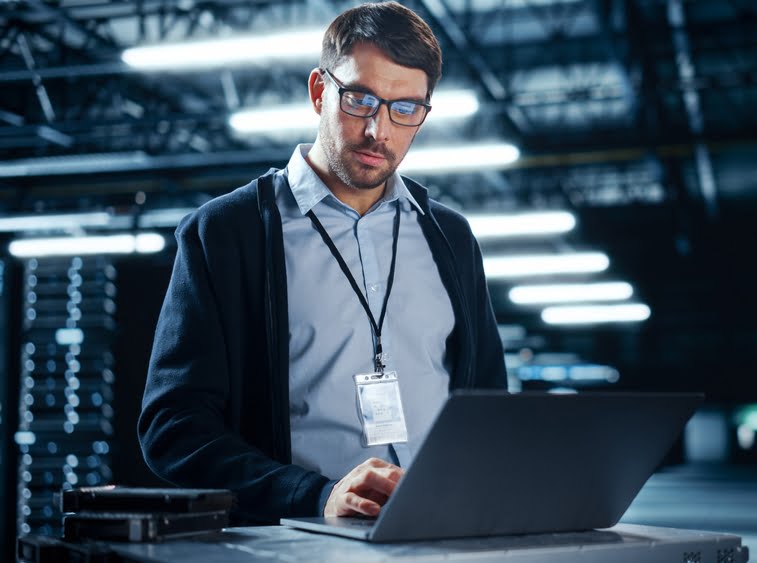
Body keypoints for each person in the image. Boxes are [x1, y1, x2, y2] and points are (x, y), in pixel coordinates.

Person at [137, 1, 507, 525]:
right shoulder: (227, 234)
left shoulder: (449, 236)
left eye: (406, 109)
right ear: (318, 91)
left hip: (441, 531)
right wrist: (312, 495)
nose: (380, 130)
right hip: (297, 538)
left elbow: (488, 403)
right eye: (360, 99)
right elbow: (172, 427)